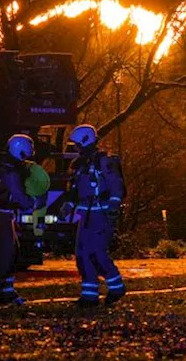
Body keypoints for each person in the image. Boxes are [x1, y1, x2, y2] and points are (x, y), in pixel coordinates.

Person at [68, 124, 127, 307]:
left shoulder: (103, 162)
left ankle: (116, 287)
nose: (74, 147)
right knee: (82, 254)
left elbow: (116, 186)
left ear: (84, 142)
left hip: (100, 213)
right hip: (85, 214)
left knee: (97, 253)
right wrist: (69, 205)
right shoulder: (81, 164)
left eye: (76, 144)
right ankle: (89, 295)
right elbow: (76, 190)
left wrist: (112, 208)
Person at [0, 133, 38, 307]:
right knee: (4, 255)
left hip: (1, 213)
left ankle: (6, 292)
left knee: (11, 251)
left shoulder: (4, 166)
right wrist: (30, 203)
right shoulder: (9, 172)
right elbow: (20, 196)